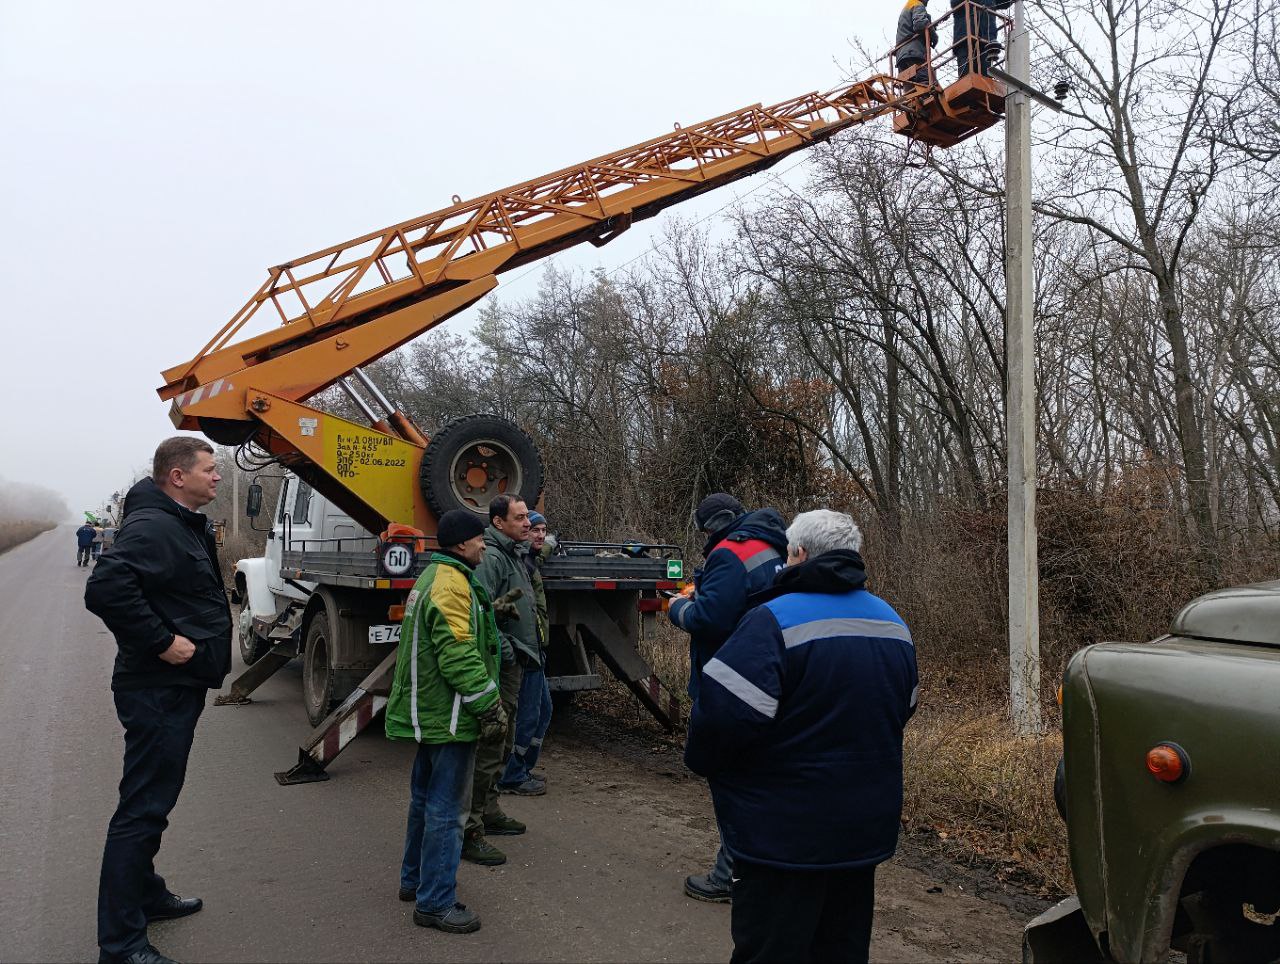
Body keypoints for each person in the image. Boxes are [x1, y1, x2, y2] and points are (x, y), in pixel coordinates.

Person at [684, 509, 919, 964]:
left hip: (782, 839)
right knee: (842, 950)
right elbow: (904, 707)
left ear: (800, 555)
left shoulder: (771, 621)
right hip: (861, 833)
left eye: (787, 555)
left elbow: (718, 722)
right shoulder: (893, 623)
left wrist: (715, 770)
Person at [85, 437, 232, 964]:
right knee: (142, 810)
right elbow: (105, 588)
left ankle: (145, 894)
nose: (217, 477)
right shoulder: (154, 527)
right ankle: (121, 946)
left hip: (170, 688)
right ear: (177, 476)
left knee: (153, 803)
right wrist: (162, 641)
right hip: (157, 689)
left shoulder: (173, 520)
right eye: (210, 470)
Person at [385, 509, 506, 935]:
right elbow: (458, 655)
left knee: (424, 799)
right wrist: (490, 706)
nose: (484, 545)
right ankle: (435, 903)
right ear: (460, 545)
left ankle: (414, 881)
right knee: (448, 810)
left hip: (434, 712)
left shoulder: (436, 578)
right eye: (479, 539)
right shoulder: (451, 586)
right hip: (451, 716)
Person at [666, 493, 787, 904]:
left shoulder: (727, 554)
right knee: (761, 779)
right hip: (771, 677)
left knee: (731, 780)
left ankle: (730, 875)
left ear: (712, 525)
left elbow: (711, 618)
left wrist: (678, 607)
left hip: (731, 678)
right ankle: (764, 866)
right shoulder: (776, 544)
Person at [461, 493, 535, 866]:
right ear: (497, 522)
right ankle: (470, 828)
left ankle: (489, 811)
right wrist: (507, 651)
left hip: (513, 662)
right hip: (500, 664)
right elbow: (480, 609)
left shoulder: (512, 553)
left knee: (501, 743)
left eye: (526, 517)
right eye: (519, 518)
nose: (527, 523)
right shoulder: (490, 558)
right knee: (490, 743)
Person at [497, 510, 554, 796]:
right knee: (530, 714)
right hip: (526, 650)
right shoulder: (518, 560)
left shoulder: (530, 558)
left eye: (543, 530)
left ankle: (523, 768)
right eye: (533, 529)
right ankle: (513, 775)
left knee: (543, 711)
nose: (540, 535)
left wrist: (549, 543)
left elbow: (540, 552)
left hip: (537, 648)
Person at [952, 0, 1012, 77]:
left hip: (986, 41)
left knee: (986, 74)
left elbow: (1004, 2)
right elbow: (954, 2)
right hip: (964, 40)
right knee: (966, 74)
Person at [895, 0, 937, 84]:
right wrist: (933, 35)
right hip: (913, 53)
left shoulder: (907, 6)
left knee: (911, 90)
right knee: (926, 82)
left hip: (901, 56)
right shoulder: (917, 4)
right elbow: (920, 24)